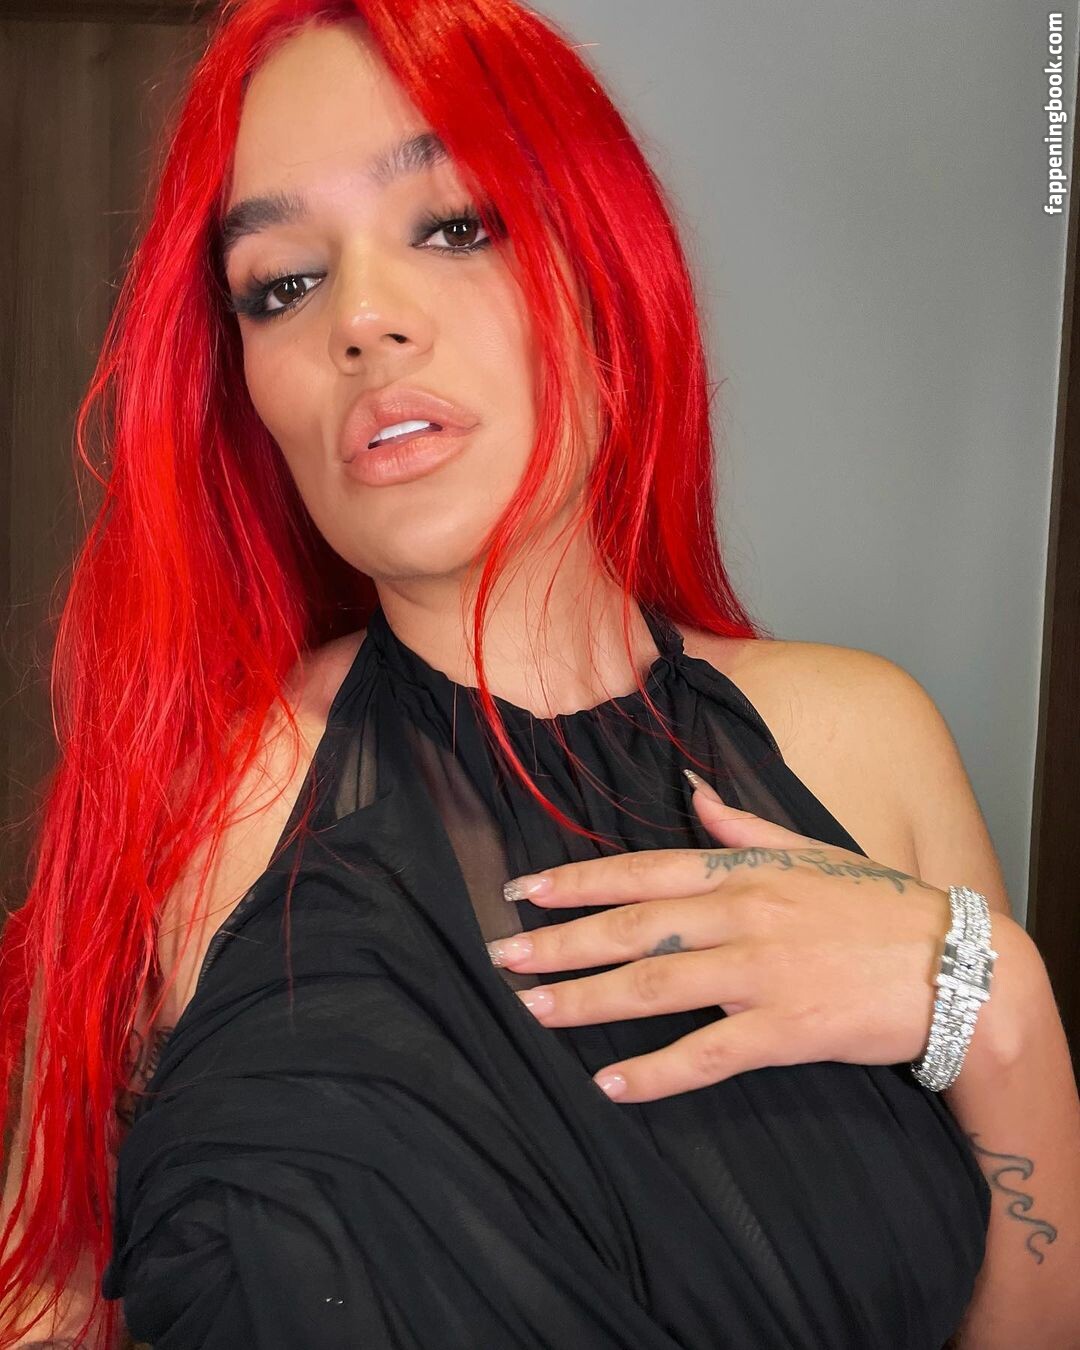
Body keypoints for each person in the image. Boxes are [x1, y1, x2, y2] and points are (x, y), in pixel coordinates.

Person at [2, 2, 1078, 1348]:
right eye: (282, 285)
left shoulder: (866, 741)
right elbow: (39, 1301)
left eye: (455, 225)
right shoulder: (188, 801)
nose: (364, 320)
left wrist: (1001, 1007)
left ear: (601, 273)